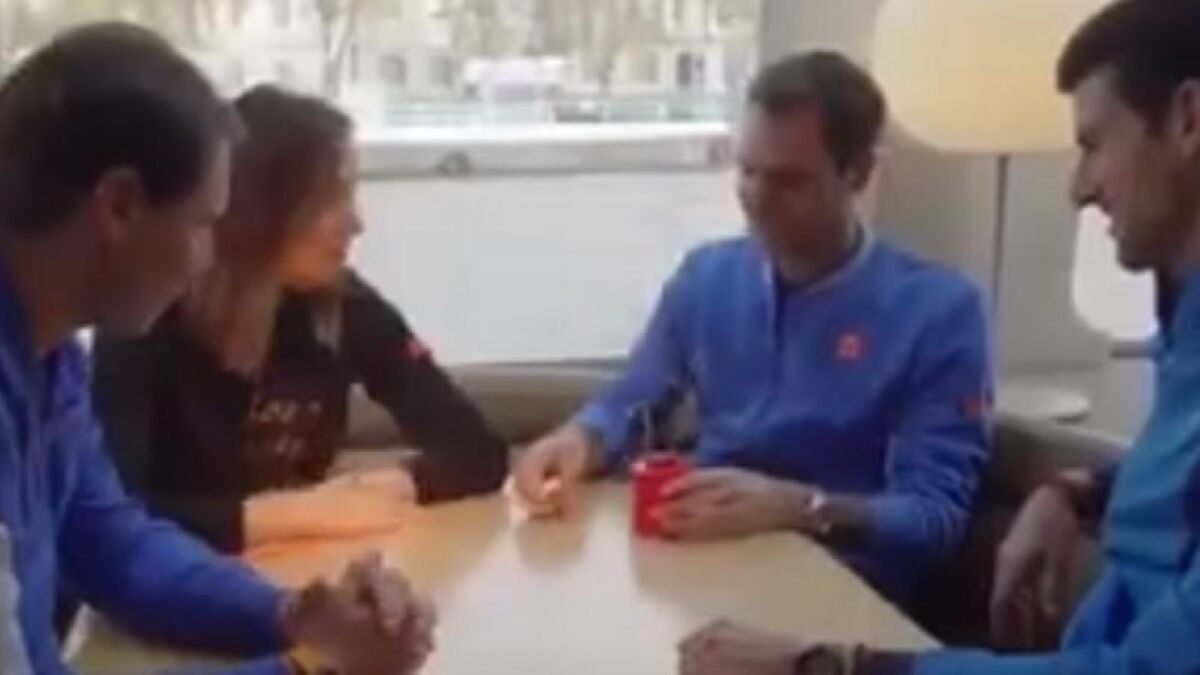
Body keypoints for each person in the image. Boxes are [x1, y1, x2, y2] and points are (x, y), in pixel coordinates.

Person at [677, 2, 1200, 674]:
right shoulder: (1184, 326)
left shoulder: (937, 310)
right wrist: (1075, 492)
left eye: (1094, 144)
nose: (1078, 188)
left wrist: (831, 666)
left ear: (1188, 119)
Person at [0, 23, 434, 675]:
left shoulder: (49, 357)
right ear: (119, 207)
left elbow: (114, 543)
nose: (207, 257)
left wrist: (295, 616)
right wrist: (313, 667)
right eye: (203, 224)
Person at [514, 51, 991, 606]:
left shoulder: (938, 312)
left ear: (858, 173)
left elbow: (934, 519)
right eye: (747, 172)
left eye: (789, 181)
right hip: (700, 570)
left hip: (836, 595)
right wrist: (579, 441)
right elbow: (633, 401)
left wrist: (800, 508)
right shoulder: (706, 277)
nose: (757, 201)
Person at [91, 84, 508, 554]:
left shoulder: (344, 305)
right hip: (168, 585)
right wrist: (282, 516)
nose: (357, 223)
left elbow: (478, 451)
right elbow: (106, 517)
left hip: (295, 567)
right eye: (334, 198)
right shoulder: (146, 317)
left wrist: (396, 483)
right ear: (262, 209)